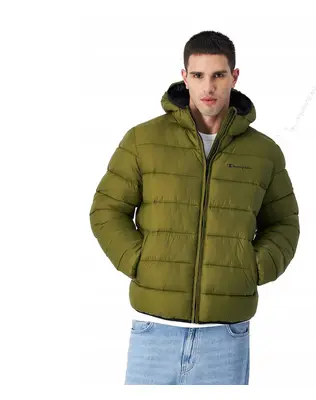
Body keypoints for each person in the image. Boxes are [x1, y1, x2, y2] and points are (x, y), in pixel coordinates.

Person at [89, 30, 300, 385]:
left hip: (226, 335)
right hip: (153, 331)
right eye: (198, 75)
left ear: (234, 76)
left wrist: (251, 268)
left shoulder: (263, 153)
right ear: (184, 76)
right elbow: (106, 210)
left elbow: (284, 224)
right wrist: (142, 262)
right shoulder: (143, 140)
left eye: (219, 75)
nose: (208, 87)